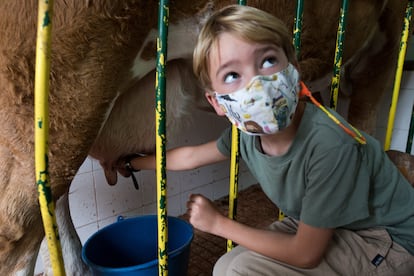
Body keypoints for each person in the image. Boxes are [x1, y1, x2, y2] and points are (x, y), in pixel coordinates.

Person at [117, 5, 414, 275]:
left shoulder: (328, 144)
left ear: (293, 68)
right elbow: (191, 156)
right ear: (217, 102)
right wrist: (132, 163)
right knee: (225, 266)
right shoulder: (246, 134)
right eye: (232, 75)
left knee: (238, 272)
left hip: (384, 238)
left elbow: (306, 254)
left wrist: (218, 224)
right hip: (329, 222)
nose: (256, 84)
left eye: (268, 60)